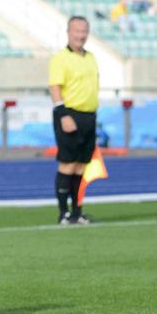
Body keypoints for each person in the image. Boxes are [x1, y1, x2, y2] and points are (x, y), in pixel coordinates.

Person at [49, 16, 99, 226]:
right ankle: (63, 213)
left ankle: (77, 212)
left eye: (84, 31)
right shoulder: (60, 58)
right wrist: (64, 114)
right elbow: (55, 87)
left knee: (81, 167)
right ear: (69, 32)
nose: (81, 35)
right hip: (70, 114)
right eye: (77, 31)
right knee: (68, 165)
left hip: (89, 116)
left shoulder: (91, 57)